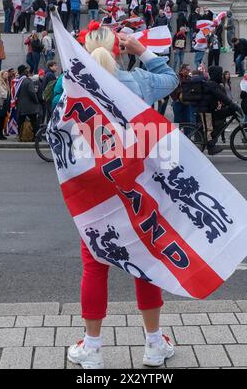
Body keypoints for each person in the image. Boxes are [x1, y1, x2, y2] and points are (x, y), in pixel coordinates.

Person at [67, 23, 178, 370]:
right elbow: (172, 78)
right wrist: (141, 51)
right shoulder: (138, 81)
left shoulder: (70, 81)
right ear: (119, 48)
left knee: (94, 266)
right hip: (134, 186)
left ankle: (94, 349)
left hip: (94, 188)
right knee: (145, 266)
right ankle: (153, 345)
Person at [196, 66, 241, 155]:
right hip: (205, 110)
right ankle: (210, 147)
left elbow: (221, 96)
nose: (221, 75)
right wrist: (232, 105)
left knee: (219, 121)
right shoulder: (211, 84)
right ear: (216, 74)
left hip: (210, 109)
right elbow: (221, 96)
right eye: (220, 74)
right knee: (208, 128)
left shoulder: (213, 84)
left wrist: (231, 106)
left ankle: (212, 141)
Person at [16, 65, 40, 137]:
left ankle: (20, 136)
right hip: (30, 106)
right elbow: (32, 92)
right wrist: (36, 101)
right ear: (24, 71)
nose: (28, 71)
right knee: (34, 121)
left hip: (21, 105)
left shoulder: (18, 81)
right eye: (27, 70)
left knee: (21, 121)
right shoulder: (28, 80)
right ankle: (36, 136)